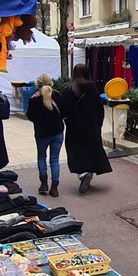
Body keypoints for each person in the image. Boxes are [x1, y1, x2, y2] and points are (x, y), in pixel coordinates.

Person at [59, 63, 112, 194]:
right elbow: (100, 109)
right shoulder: (93, 88)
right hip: (91, 126)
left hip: (74, 127)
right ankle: (89, 170)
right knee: (91, 150)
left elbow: (63, 109)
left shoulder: (69, 90)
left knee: (75, 150)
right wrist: (98, 124)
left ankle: (82, 173)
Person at [26, 73, 64, 198]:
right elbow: (63, 112)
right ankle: (54, 187)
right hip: (57, 132)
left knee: (41, 156)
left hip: (42, 133)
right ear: (50, 82)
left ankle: (43, 183)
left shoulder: (33, 98)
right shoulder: (57, 95)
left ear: (38, 83)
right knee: (54, 159)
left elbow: (30, 117)